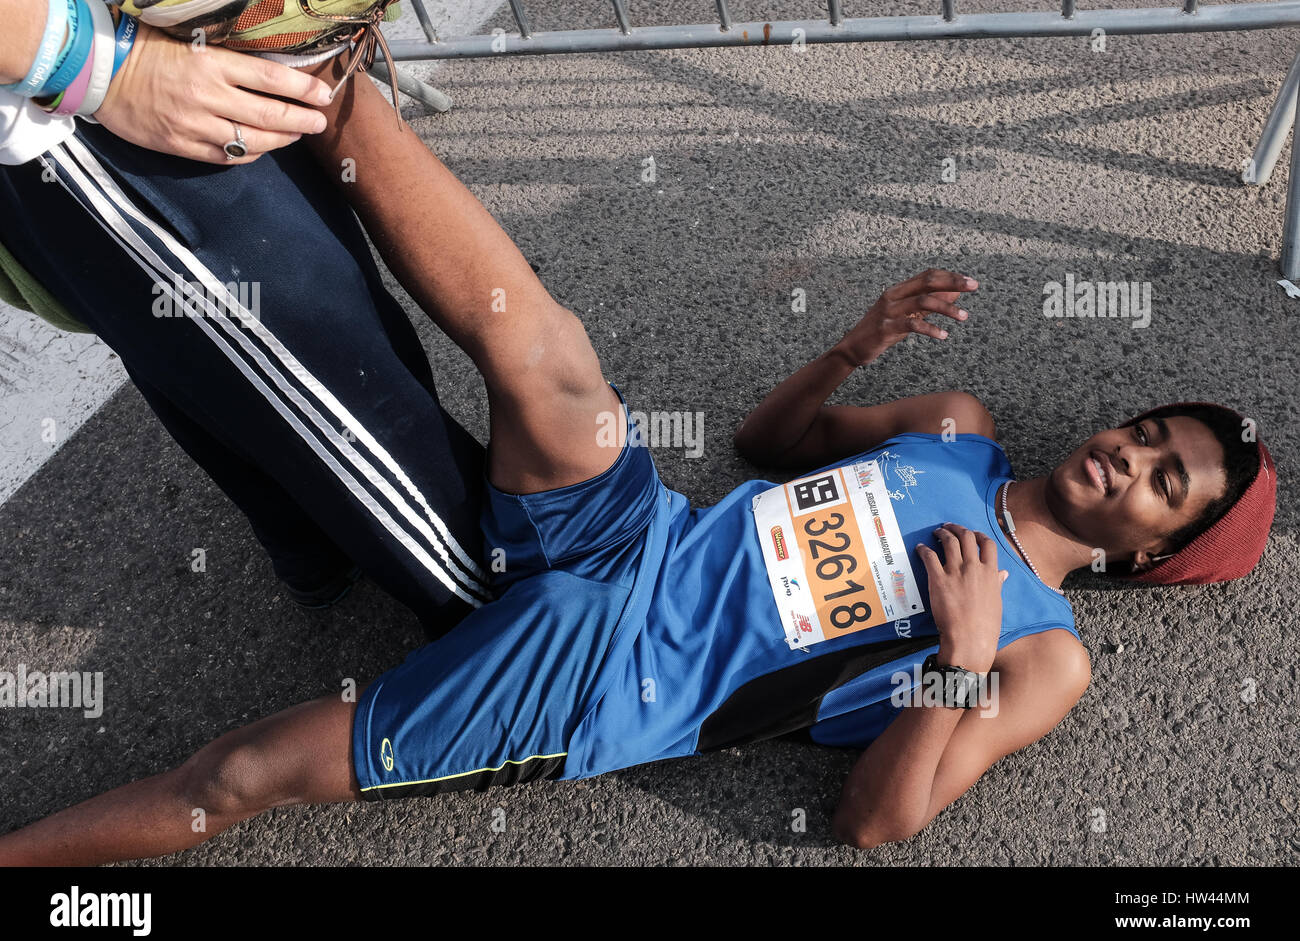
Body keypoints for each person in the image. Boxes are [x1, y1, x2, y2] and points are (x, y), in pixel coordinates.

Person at [0, 63, 1276, 864]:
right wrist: (851, 345)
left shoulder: (1042, 649)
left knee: (235, 777)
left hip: (601, 682)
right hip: (643, 536)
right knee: (555, 359)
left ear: (1155, 553)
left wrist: (954, 657)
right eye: (1147, 433)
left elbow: (875, 822)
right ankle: (326, 70)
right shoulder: (958, 424)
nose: (1129, 456)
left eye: (1164, 482)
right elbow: (762, 449)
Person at [0, 1, 490, 627]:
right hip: (80, 83)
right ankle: (513, 619)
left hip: (112, 55)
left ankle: (313, 546)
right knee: (324, 362)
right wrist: (92, 63)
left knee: (207, 350)